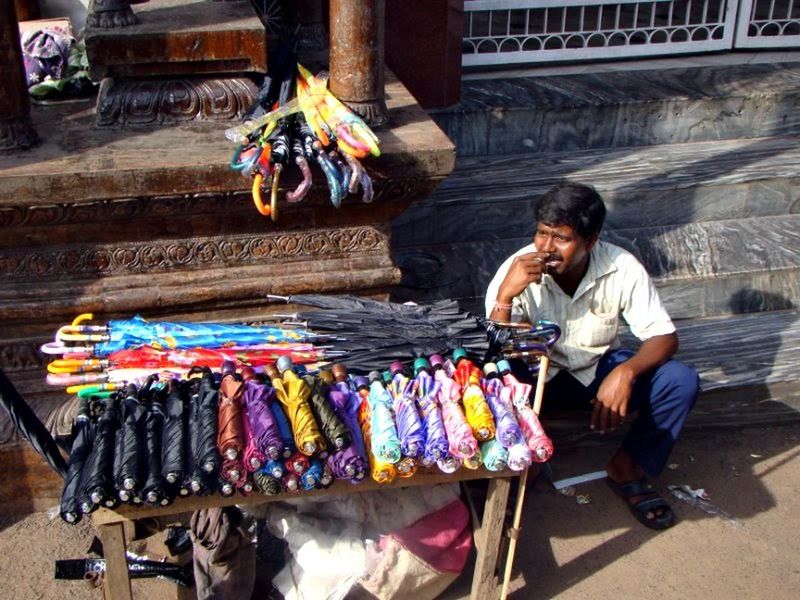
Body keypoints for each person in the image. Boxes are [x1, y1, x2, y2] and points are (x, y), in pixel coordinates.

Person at [485, 181, 699, 530]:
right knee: (492, 378)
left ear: (591, 241)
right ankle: (522, 462)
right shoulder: (517, 269)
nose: (547, 248)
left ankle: (626, 466)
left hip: (595, 374)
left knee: (679, 381)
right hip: (537, 377)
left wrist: (627, 372)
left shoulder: (621, 265)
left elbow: (664, 336)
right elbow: (494, 347)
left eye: (562, 239)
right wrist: (506, 296)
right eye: (542, 234)